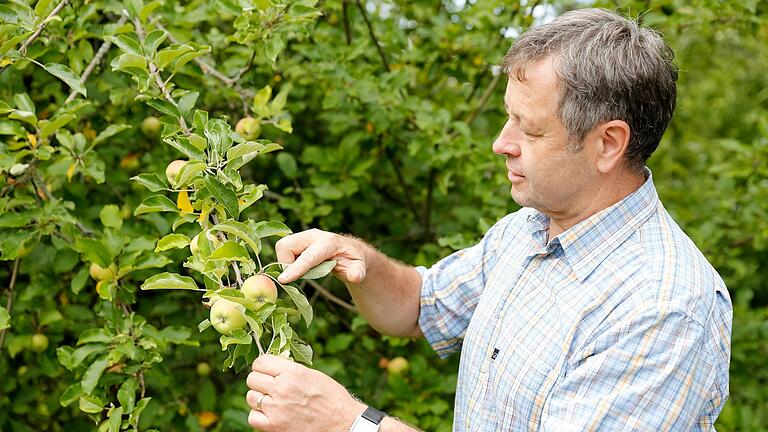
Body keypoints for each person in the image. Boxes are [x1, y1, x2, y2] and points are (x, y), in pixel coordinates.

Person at [245, 8, 732, 432]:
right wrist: (359, 261)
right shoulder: (529, 228)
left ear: (607, 144)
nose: (502, 142)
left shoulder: (662, 307)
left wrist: (346, 423)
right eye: (507, 116)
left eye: (530, 128)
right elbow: (420, 307)